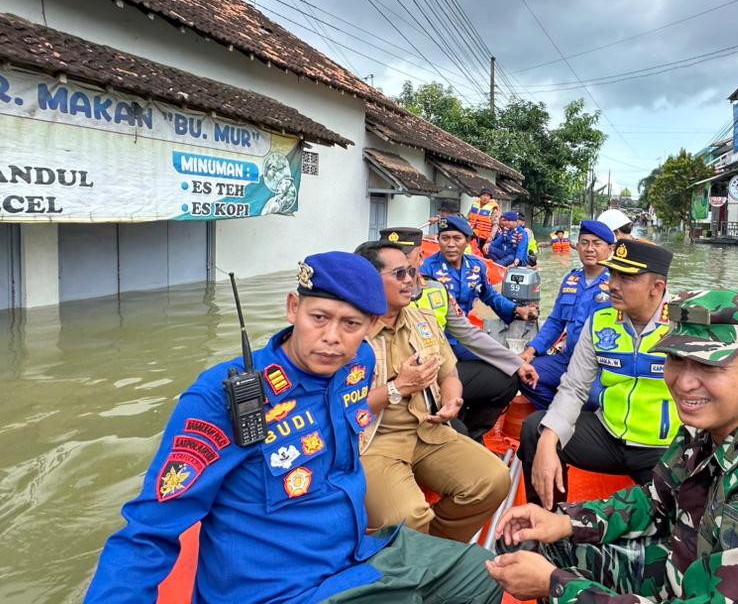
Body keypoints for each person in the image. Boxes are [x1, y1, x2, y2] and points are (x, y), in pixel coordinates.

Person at [85, 252, 502, 604]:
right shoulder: (222, 398)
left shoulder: (358, 366)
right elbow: (149, 531)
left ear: (372, 327)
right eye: (319, 317)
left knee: (486, 574)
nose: (331, 338)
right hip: (278, 591)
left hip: (357, 557)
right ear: (292, 309)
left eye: (351, 324)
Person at [486, 289, 738, 604]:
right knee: (542, 547)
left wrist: (557, 587)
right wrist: (566, 521)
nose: (684, 383)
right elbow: (656, 499)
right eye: (675, 359)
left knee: (553, 579)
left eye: (709, 366)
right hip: (689, 569)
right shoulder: (708, 429)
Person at [353, 240, 511, 543]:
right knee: (407, 516)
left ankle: (437, 547)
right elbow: (338, 408)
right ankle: (415, 549)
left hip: (428, 430)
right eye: (399, 274)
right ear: (369, 280)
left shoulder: (423, 320)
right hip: (375, 441)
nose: (410, 280)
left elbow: (448, 374)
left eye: (411, 272)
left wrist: (451, 400)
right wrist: (397, 388)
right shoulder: (350, 333)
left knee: (493, 480)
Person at [518, 239, 677, 510]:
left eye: (626, 278)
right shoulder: (600, 321)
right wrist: (549, 438)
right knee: (536, 429)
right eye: (613, 274)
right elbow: (574, 386)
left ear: (657, 287)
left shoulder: (683, 326)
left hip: (662, 448)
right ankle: (548, 516)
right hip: (607, 433)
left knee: (671, 518)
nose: (613, 284)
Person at [380, 227, 537, 441]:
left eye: (406, 257)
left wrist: (515, 361)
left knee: (506, 376)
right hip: (395, 381)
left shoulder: (437, 289)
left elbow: (469, 330)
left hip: (441, 366)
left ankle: (472, 433)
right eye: (391, 260)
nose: (401, 268)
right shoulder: (371, 299)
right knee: (453, 433)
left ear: (419, 257)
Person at [518, 220, 614, 411]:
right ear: (577, 247)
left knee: (593, 398)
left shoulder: (618, 283)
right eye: (585, 243)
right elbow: (555, 322)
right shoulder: (571, 280)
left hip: (600, 365)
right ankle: (557, 414)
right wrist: (531, 350)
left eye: (597, 244)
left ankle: (576, 420)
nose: (590, 249)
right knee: (522, 374)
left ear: (610, 249)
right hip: (567, 358)